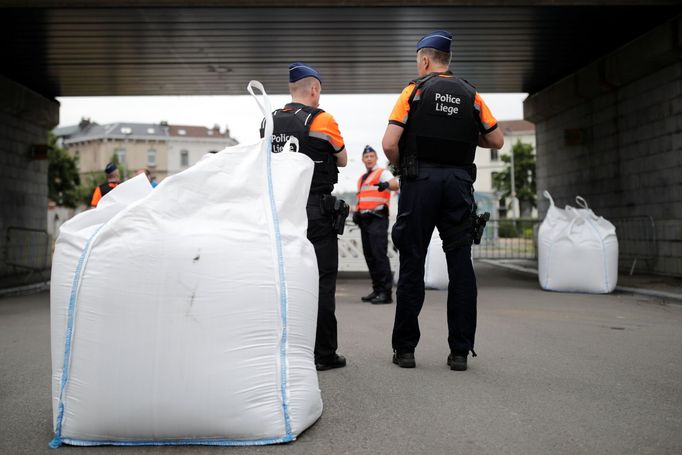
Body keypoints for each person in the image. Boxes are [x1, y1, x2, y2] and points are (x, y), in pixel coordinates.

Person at [382, 30, 504, 371]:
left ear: (424, 59)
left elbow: (389, 142)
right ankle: (460, 352)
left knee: (412, 263)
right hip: (458, 184)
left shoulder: (414, 91)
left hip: (419, 181)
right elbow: (496, 139)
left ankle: (405, 350)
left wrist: (403, 163)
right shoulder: (471, 94)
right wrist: (464, 135)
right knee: (461, 266)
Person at [261, 62, 349, 371]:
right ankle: (323, 353)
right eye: (320, 92)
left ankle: (280, 350)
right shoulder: (323, 120)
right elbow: (342, 158)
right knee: (322, 280)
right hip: (315, 210)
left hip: (278, 209)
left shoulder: (268, 121)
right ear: (313, 90)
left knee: (280, 280)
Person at [353, 145, 399, 304]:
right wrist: (357, 212)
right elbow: (362, 198)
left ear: (376, 158)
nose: (369, 159)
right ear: (362, 159)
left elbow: (395, 184)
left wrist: (385, 185)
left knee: (379, 254)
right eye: (366, 157)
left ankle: (386, 293)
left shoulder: (382, 173)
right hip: (365, 221)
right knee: (370, 255)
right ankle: (377, 289)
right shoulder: (362, 178)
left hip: (378, 219)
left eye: (372, 156)